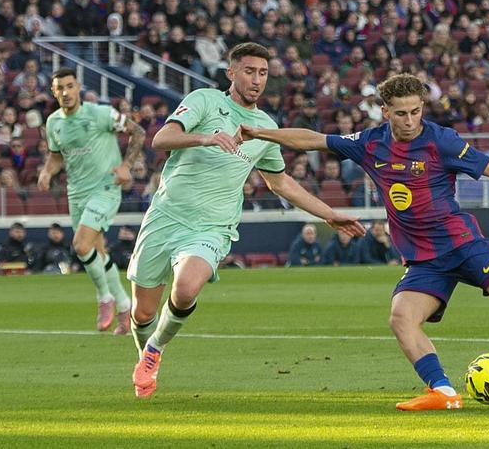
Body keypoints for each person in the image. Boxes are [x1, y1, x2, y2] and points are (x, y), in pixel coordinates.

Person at [240, 72, 489, 411]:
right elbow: (313, 139)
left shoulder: (442, 141)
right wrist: (260, 132)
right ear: (385, 110)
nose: (410, 120)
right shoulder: (370, 142)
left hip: (462, 243)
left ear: (423, 106)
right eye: (401, 113)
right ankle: (442, 391)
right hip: (424, 259)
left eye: (416, 111)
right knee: (401, 317)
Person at [127, 43, 365, 398]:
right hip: (166, 216)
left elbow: (280, 182)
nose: (257, 80)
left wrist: (329, 214)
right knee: (143, 313)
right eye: (250, 71)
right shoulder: (206, 100)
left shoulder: (265, 128)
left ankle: (155, 350)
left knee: (188, 287)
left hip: (212, 226)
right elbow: (162, 139)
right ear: (232, 73)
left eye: (263, 73)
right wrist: (208, 137)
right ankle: (146, 353)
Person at [38, 67, 146, 335]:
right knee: (97, 253)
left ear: (78, 88)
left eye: (70, 86)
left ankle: (104, 298)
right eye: (60, 88)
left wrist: (125, 166)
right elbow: (56, 156)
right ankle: (125, 307)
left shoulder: (100, 113)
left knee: (80, 245)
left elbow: (138, 132)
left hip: (105, 188)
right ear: (54, 92)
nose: (65, 92)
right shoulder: (53, 123)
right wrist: (47, 170)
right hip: (76, 193)